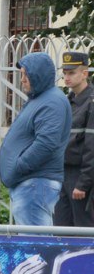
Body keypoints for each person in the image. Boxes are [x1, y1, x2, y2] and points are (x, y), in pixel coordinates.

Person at [0, 52, 71, 227]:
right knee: (33, 239)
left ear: (38, 75)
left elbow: (46, 143)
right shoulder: (42, 99)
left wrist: (19, 166)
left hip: (35, 184)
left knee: (35, 240)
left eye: (26, 75)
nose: (22, 80)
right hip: (32, 183)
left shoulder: (52, 102)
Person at [56, 52, 94, 227]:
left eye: (72, 73)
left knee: (83, 231)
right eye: (65, 73)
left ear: (84, 73)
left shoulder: (91, 103)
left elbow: (91, 147)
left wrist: (83, 183)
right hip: (63, 174)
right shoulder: (67, 102)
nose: (67, 77)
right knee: (61, 229)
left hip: (81, 176)